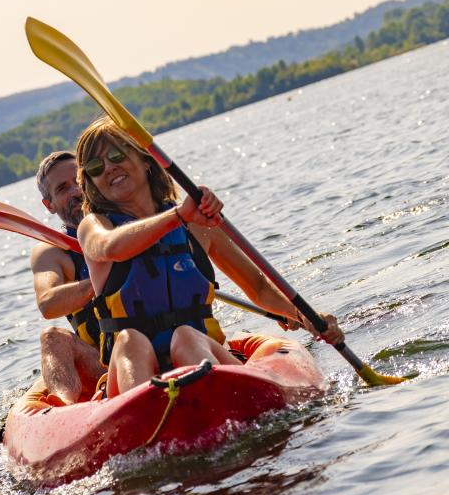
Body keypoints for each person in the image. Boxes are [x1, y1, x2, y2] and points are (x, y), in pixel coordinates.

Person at [76, 118, 344, 397]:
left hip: (198, 354)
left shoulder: (197, 225)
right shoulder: (94, 227)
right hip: (136, 371)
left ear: (145, 160)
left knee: (187, 336)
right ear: (92, 183)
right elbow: (111, 248)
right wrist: (178, 215)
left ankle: (219, 400)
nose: (108, 168)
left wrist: (305, 316)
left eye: (116, 155)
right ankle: (145, 417)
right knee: (131, 340)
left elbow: (259, 287)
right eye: (96, 167)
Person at [28, 151, 104, 404]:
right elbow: (48, 303)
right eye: (62, 188)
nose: (76, 191)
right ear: (49, 205)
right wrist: (103, 277)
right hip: (102, 363)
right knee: (52, 337)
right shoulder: (51, 252)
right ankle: (65, 407)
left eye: (79, 181)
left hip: (156, 342)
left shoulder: (126, 222)